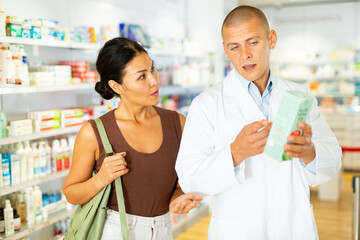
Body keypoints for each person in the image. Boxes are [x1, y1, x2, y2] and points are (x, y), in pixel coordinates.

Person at [175, 5, 341, 240]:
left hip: (293, 227)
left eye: (253, 42)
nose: (245, 55)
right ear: (226, 50)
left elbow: (332, 160)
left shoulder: (300, 96)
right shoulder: (207, 104)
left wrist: (309, 153)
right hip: (238, 231)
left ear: (271, 39)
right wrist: (234, 153)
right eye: (235, 47)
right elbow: (190, 178)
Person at [62, 37, 202, 240]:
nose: (154, 80)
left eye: (152, 69)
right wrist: (101, 178)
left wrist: (177, 199)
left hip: (163, 230)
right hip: (115, 231)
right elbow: (71, 193)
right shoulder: (94, 133)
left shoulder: (177, 123)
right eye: (142, 76)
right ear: (116, 86)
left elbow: (183, 181)